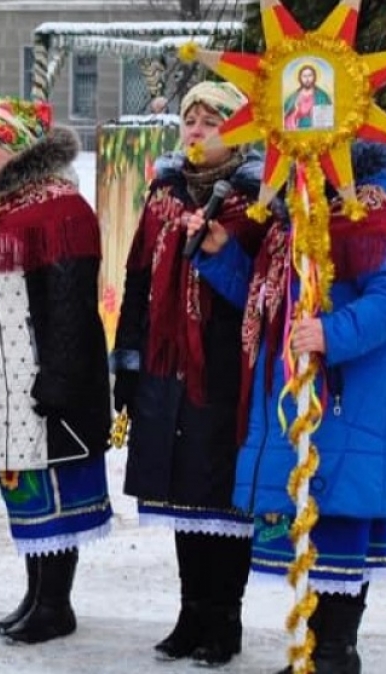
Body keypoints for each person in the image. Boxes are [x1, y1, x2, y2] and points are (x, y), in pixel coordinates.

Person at [191, 142, 386, 674]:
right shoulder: (292, 216)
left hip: (346, 401)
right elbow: (268, 304)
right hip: (299, 401)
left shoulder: (370, 212)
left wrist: (331, 333)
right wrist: (222, 255)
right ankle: (317, 657)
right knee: (311, 537)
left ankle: (334, 656)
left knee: (338, 529)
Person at [0, 96, 113, 645]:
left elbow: (68, 303)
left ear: (16, 146)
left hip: (40, 381)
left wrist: (59, 379)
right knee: (25, 491)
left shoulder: (59, 209)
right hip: (2, 377)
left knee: (53, 490)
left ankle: (55, 604)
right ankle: (37, 593)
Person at [111, 81, 267, 666]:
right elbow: (137, 278)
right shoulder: (162, 196)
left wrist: (222, 251)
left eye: (211, 121)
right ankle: (190, 611)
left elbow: (260, 290)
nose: (197, 130)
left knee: (222, 503)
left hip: (224, 370)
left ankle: (225, 620)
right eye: (190, 120)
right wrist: (127, 361)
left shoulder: (257, 201)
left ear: (239, 131)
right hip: (165, 367)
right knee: (183, 500)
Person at [283, 64, 334, 130]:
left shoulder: (322, 95)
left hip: (317, 131)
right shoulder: (294, 97)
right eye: (304, 76)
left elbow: (328, 119)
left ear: (314, 77)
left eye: (310, 75)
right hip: (297, 130)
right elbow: (286, 116)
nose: (307, 79)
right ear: (300, 78)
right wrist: (296, 111)